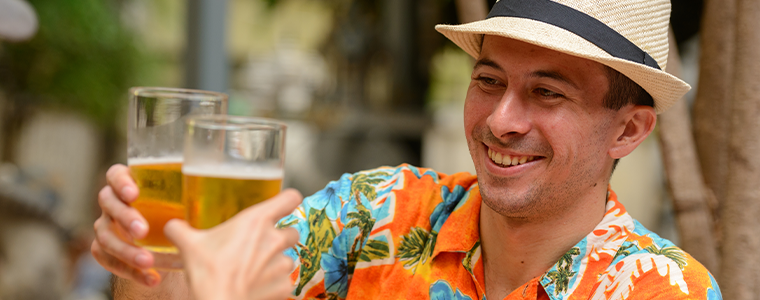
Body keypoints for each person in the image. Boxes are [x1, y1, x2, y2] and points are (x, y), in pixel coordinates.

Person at [92, 0, 723, 299]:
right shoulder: (378, 208)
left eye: (548, 94)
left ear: (629, 131)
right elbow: (207, 282)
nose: (502, 120)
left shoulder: (661, 289)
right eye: (489, 81)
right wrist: (157, 257)